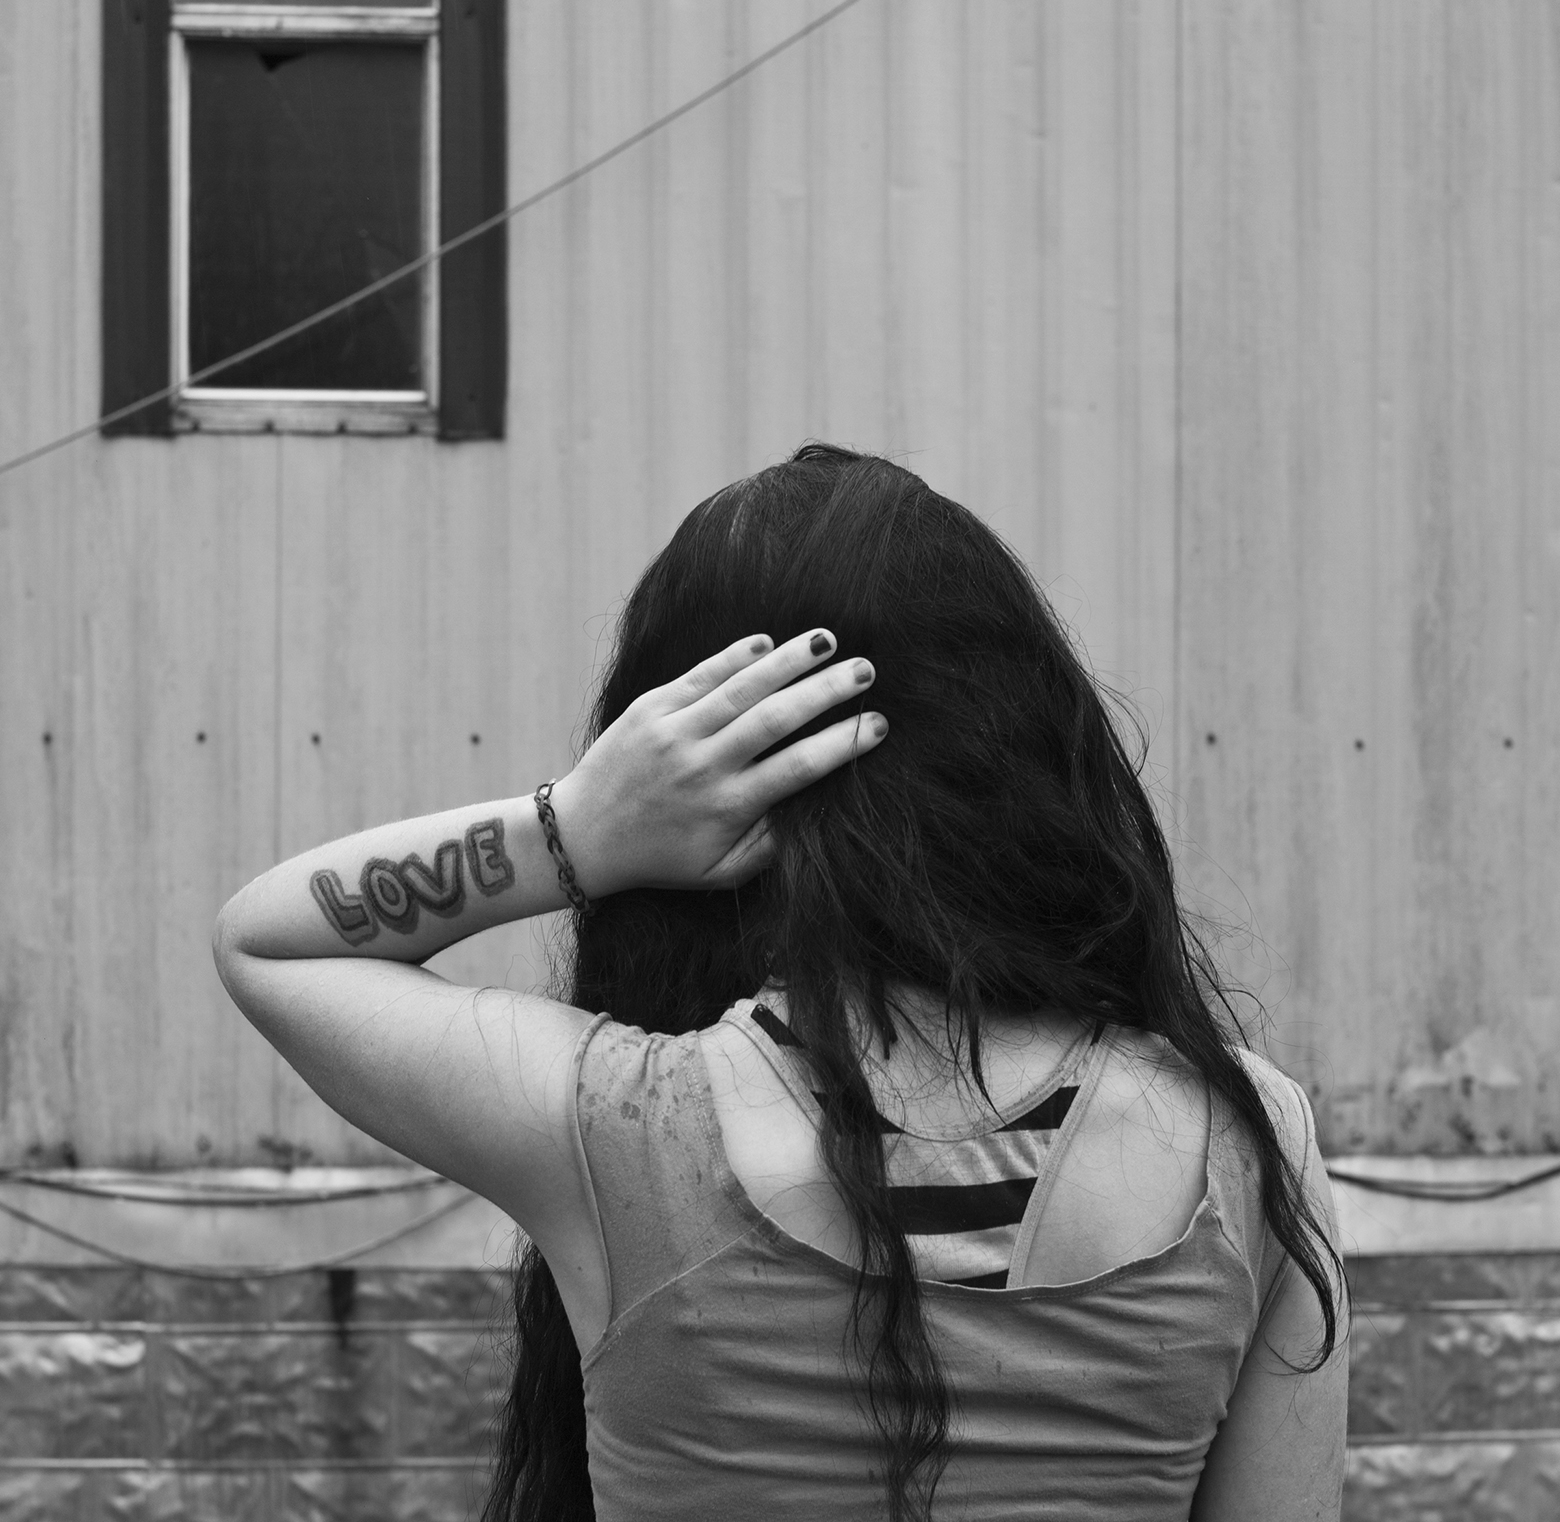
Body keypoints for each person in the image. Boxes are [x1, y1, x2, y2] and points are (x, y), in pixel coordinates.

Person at [214, 444, 1348, 1522]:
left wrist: (578, 829)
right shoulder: (1249, 1143)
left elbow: (271, 941)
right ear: (1033, 745)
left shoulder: (618, 1132)